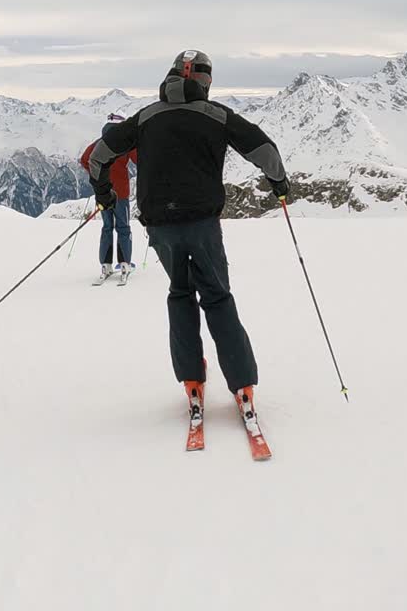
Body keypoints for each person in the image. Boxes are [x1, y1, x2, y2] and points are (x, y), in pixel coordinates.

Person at [87, 50, 290, 426]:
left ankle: (192, 379)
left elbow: (100, 156)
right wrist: (279, 184)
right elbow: (264, 150)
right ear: (205, 81)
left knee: (180, 294)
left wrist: (103, 194)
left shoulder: (145, 117)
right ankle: (241, 384)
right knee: (217, 297)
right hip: (202, 224)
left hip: (160, 227)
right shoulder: (216, 115)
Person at [79, 113, 137, 283]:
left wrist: (97, 176)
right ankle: (124, 263)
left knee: (107, 227)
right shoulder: (126, 142)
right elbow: (140, 159)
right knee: (123, 227)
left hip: (102, 193)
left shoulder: (99, 143)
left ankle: (106, 264)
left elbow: (84, 160)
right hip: (122, 193)